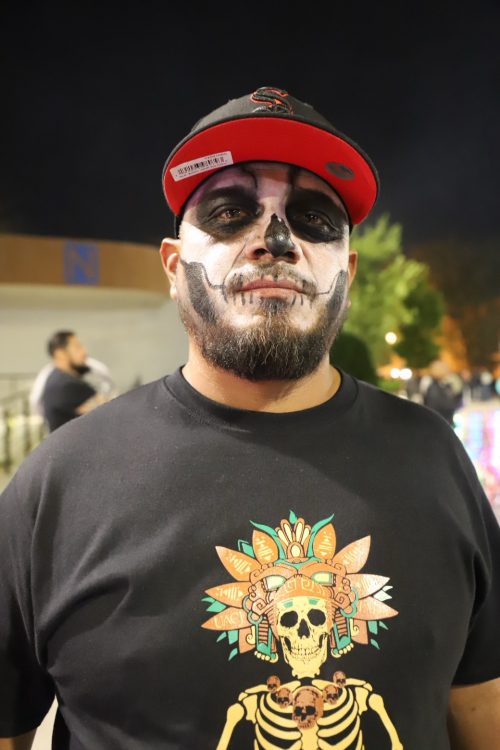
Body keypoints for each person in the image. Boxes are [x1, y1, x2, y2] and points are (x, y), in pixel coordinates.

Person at [0, 87, 499, 750]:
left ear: (348, 272)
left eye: (314, 218)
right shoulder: (58, 485)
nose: (276, 240)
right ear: (174, 267)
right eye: (230, 214)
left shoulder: (435, 459)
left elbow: (483, 713)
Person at [38, 330, 107, 432]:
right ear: (60, 354)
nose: (84, 352)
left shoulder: (54, 377)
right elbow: (108, 410)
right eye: (77, 347)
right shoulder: (67, 385)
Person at [421, 359, 463, 425]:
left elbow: (456, 400)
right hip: (437, 422)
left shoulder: (446, 384)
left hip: (445, 421)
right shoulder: (431, 385)